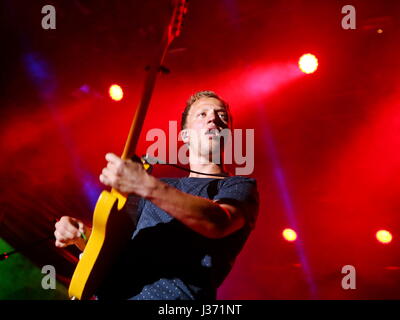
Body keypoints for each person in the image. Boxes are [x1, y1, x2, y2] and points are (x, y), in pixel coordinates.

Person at [54, 90, 259, 300]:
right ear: (185, 135)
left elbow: (219, 222)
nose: (213, 119)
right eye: (202, 114)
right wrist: (83, 235)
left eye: (222, 116)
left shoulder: (239, 185)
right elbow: (113, 250)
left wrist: (145, 185)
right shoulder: (157, 187)